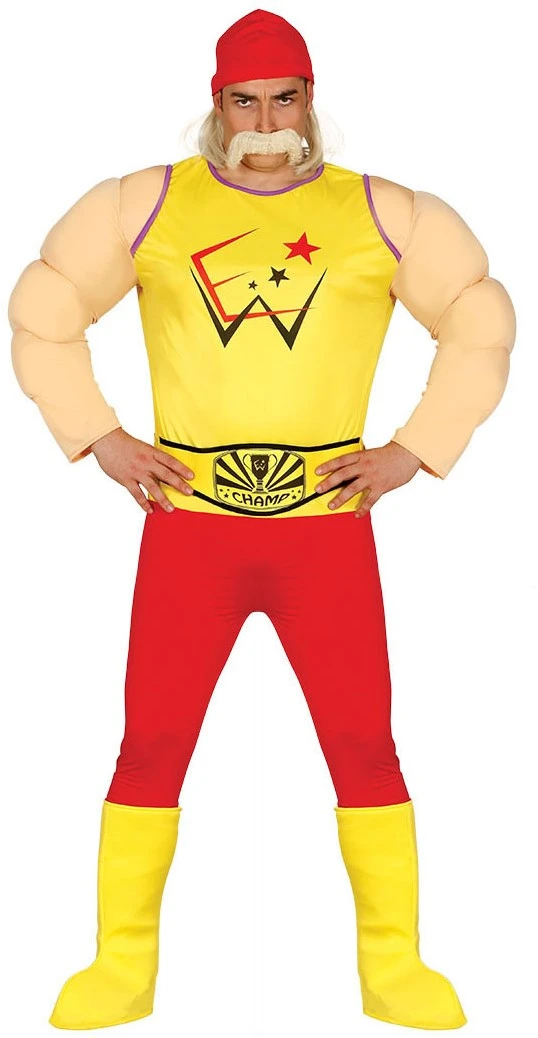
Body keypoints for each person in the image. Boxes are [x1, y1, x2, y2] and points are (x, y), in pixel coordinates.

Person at [8, 7, 516, 1032]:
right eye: (245, 100)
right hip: (188, 527)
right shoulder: (147, 206)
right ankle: (120, 967)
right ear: (217, 105)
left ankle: (394, 967)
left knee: (364, 743)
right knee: (151, 741)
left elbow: (478, 314)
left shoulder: (380, 213)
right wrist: (98, 436)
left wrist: (415, 449)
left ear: (311, 101)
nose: (267, 120)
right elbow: (44, 307)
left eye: (285, 97)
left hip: (326, 530)